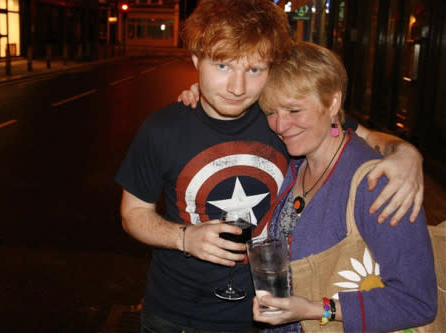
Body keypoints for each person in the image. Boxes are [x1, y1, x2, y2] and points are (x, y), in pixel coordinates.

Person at [116, 1, 424, 332]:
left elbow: (362, 136)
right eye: (222, 66)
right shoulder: (161, 129)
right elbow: (133, 214)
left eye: (254, 70)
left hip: (268, 318)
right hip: (175, 316)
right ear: (196, 60)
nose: (237, 87)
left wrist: (406, 153)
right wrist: (184, 237)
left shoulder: (282, 118)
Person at [251, 42, 436, 332]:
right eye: (271, 112)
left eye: (294, 110)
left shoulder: (378, 184)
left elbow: (417, 301)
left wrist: (317, 310)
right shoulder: (296, 164)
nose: (280, 125)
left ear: (333, 102)